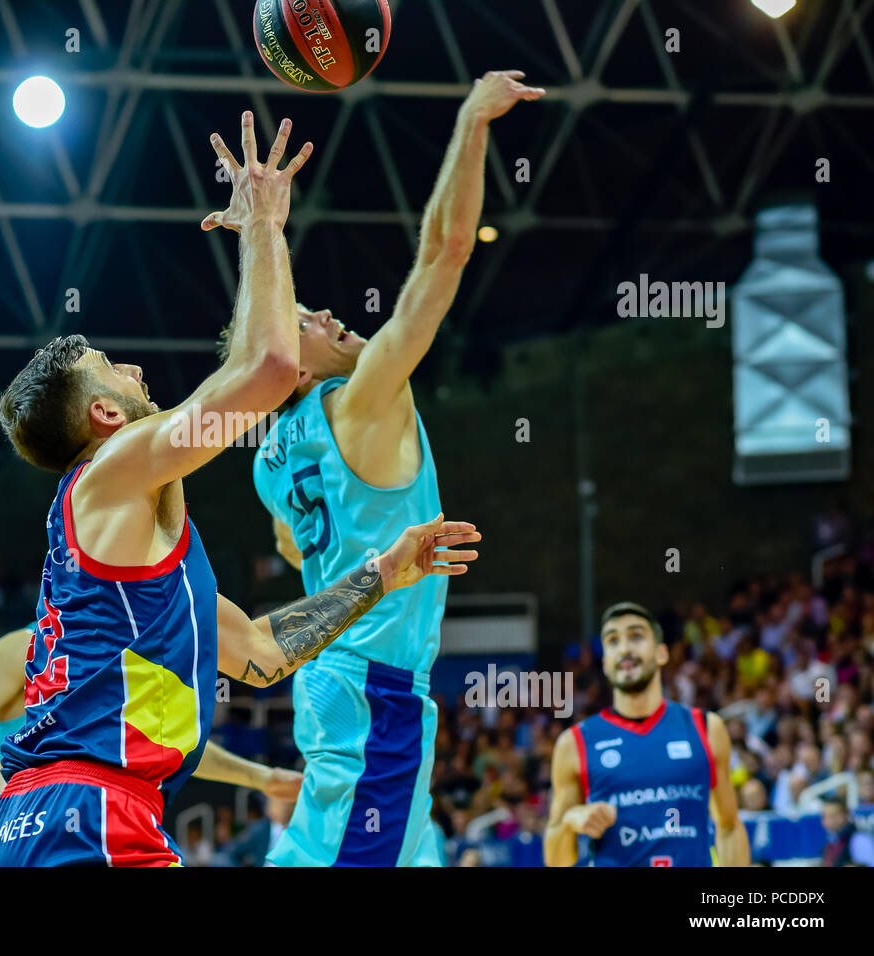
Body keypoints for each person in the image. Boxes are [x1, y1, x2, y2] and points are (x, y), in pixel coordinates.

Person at [0, 111, 481, 867]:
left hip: (38, 821)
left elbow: (268, 654)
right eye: (117, 369)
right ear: (105, 414)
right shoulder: (109, 470)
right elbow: (267, 370)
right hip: (89, 814)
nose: (139, 372)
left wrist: (382, 572)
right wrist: (265, 226)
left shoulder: (143, 575)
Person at [235, 70, 542, 866]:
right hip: (373, 684)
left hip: (342, 671)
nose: (332, 317)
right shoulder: (358, 400)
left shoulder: (270, 460)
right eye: (309, 323)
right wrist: (472, 120)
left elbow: (300, 553)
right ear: (289, 366)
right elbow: (442, 256)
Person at [0, 626, 304, 814]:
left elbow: (173, 742)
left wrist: (261, 777)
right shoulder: (20, 648)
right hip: (24, 830)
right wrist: (1, 777)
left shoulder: (127, 655)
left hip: (99, 831)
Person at [544, 602, 750, 866]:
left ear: (662, 653)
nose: (625, 648)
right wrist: (570, 821)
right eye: (613, 641)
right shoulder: (574, 742)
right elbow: (556, 860)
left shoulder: (707, 728)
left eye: (636, 636)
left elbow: (729, 826)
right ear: (606, 664)